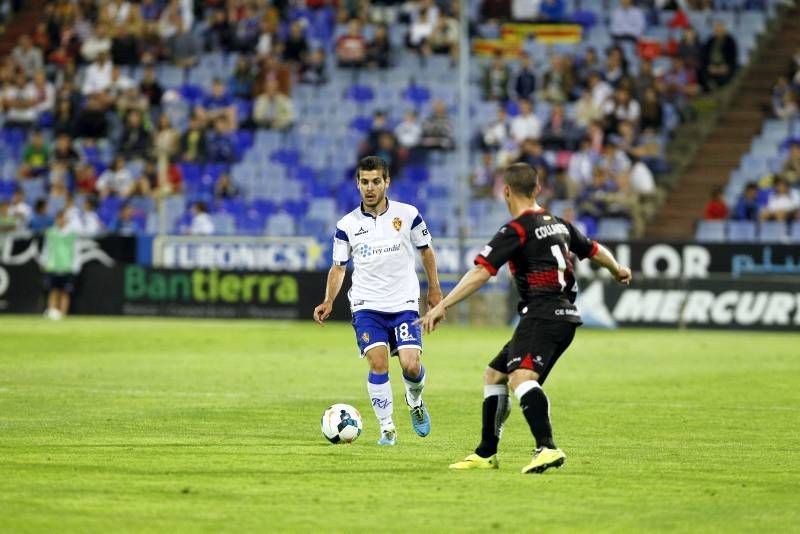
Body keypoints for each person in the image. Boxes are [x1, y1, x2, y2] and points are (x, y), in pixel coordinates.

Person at [417, 162, 632, 473]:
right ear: (537, 190)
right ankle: (486, 452)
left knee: (521, 378)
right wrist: (618, 270)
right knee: (495, 374)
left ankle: (547, 447)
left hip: (542, 315)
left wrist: (442, 305)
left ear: (505, 191)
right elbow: (595, 250)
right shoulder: (559, 223)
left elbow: (480, 272)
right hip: (564, 315)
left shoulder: (516, 229)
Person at [313, 156, 443, 447]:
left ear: (387, 182)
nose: (370, 188)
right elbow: (338, 267)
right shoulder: (346, 225)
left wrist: (434, 289)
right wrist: (328, 300)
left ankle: (415, 400)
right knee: (378, 363)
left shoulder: (408, 214)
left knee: (411, 365)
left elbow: (426, 251)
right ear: (357, 183)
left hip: (404, 303)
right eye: (364, 182)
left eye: (375, 181)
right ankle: (387, 429)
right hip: (366, 305)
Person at [42, 210, 79, 320]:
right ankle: (52, 314)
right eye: (59, 218)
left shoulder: (72, 234)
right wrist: (44, 262)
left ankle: (63, 315)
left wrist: (75, 266)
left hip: (67, 267)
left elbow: (76, 250)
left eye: (62, 218)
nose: (61, 220)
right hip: (53, 266)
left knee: (65, 292)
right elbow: (46, 249)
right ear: (56, 219)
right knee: (53, 291)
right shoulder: (50, 232)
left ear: (66, 219)